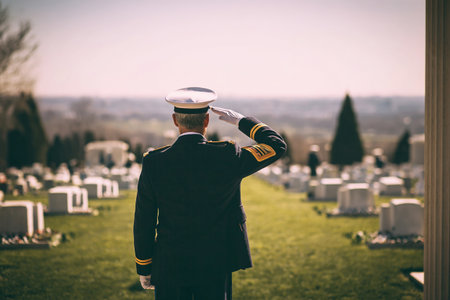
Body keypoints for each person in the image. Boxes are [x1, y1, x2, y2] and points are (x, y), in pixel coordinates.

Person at [133, 87, 287, 300]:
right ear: (206, 121)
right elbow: (276, 145)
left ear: (175, 120)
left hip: (170, 262)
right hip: (215, 261)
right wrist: (242, 121)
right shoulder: (228, 156)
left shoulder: (154, 162)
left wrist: (144, 266)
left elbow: (144, 220)